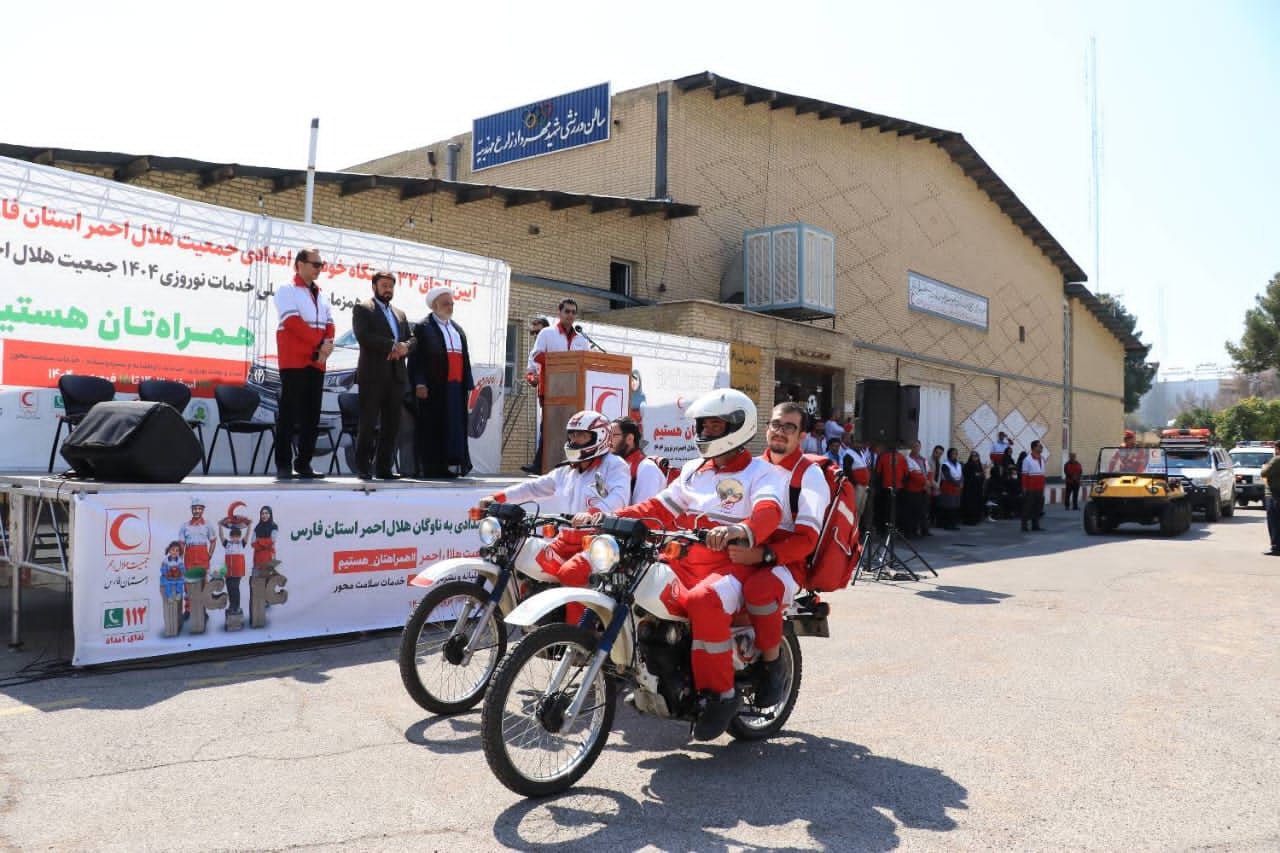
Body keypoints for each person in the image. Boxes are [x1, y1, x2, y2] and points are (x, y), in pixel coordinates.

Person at [584, 389, 785, 741]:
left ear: (737, 426)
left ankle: (720, 694)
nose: (706, 431)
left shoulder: (763, 472)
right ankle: (651, 672)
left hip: (732, 564)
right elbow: (658, 507)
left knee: (703, 601)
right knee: (633, 583)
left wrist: (739, 530)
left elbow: (768, 512)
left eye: (715, 425)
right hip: (684, 558)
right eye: (703, 425)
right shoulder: (694, 469)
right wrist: (611, 517)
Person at [478, 411, 629, 621]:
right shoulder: (566, 471)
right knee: (519, 553)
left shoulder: (614, 465)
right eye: (572, 435)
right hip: (564, 539)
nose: (574, 440)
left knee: (570, 573)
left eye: (581, 435)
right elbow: (533, 487)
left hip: (598, 543)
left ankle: (576, 634)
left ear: (600, 436)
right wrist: (497, 497)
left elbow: (619, 498)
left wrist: (592, 514)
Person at [728, 402, 831, 707]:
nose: (780, 431)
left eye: (789, 427)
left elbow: (807, 540)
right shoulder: (751, 468)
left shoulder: (809, 475)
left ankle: (772, 668)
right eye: (776, 424)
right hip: (746, 548)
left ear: (802, 436)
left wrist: (762, 556)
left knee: (758, 590)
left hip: (787, 561)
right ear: (766, 428)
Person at [273, 248, 335, 480]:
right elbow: (291, 322)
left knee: (312, 415)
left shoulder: (322, 294)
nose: (319, 269)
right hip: (294, 361)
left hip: (317, 362)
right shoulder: (286, 289)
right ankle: (283, 464)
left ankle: (304, 463)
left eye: (321, 265)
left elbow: (330, 324)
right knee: (289, 414)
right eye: (315, 264)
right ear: (300, 264)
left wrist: (327, 345)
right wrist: (320, 343)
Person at [350, 270, 415, 480]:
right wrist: (392, 346)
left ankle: (384, 468)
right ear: (374, 287)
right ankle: (363, 467)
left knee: (392, 425)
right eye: (384, 285)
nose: (388, 289)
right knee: (368, 424)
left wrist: (405, 346)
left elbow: (412, 338)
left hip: (396, 377)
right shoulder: (363, 308)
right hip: (372, 376)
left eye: (391, 286)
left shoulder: (400, 314)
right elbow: (364, 336)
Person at [409, 286, 473, 478]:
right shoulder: (423, 327)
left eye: (451, 304)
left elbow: (465, 358)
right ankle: (430, 468)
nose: (450, 307)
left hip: (455, 387)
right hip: (434, 387)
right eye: (446, 304)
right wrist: (419, 383)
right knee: (433, 426)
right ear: (435, 305)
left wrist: (468, 384)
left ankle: (447, 465)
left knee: (453, 427)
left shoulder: (457, 329)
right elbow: (416, 359)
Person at [524, 299, 589, 474]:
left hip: (575, 390)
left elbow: (586, 362)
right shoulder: (547, 333)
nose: (570, 315)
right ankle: (541, 465)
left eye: (573, 312)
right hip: (551, 389)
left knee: (572, 429)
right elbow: (536, 356)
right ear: (559, 313)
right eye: (567, 311)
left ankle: (570, 465)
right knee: (549, 427)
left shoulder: (581, 339)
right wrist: (561, 363)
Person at [610, 416, 665, 504]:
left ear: (629, 439)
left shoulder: (647, 468)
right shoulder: (616, 466)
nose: (608, 441)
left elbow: (643, 509)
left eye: (613, 436)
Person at [179, 496, 217, 620]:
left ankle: (203, 609)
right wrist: (180, 558)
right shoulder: (185, 526)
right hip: (189, 555)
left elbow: (213, 541)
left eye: (199, 508)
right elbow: (181, 544)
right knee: (188, 584)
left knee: (203, 584)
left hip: (202, 554)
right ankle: (188, 609)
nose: (197, 511)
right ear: (191, 509)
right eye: (195, 508)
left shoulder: (208, 525)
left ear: (203, 510)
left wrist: (209, 555)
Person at [873, 443, 907, 534]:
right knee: (896, 509)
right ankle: (894, 528)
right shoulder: (901, 457)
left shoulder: (882, 456)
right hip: (898, 487)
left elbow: (878, 473)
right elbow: (906, 474)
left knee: (886, 509)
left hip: (886, 487)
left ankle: (884, 529)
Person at [903, 441, 930, 537]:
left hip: (923, 489)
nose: (916, 448)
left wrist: (928, 482)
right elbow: (912, 474)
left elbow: (929, 472)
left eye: (918, 446)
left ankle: (922, 530)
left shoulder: (923, 459)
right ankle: (910, 531)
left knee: (922, 511)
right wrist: (925, 481)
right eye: (914, 446)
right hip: (912, 489)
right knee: (911, 511)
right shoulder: (907, 459)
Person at [1021, 440, 1049, 531]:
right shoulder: (1027, 460)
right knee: (1028, 507)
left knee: (1038, 506)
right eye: (1039, 446)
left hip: (1040, 487)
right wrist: (1024, 488)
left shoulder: (1042, 458)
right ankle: (1024, 525)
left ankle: (1035, 525)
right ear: (1034, 448)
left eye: (1041, 446)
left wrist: (1043, 486)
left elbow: (1042, 474)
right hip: (1031, 488)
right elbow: (1024, 475)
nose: (1041, 447)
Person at [1260, 442, 1280, 556]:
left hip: (1274, 494)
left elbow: (1264, 473)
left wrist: (1265, 466)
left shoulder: (1276, 460)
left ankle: (1276, 547)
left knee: (1274, 522)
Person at [938, 448, 962, 530]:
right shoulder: (945, 464)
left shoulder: (958, 464)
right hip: (949, 486)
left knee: (955, 506)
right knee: (949, 506)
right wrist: (957, 483)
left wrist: (961, 482)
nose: (955, 455)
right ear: (949, 454)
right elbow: (948, 476)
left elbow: (961, 475)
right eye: (953, 453)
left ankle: (954, 523)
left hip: (957, 487)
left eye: (956, 453)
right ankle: (948, 524)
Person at [962, 450, 986, 525]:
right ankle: (969, 520)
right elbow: (968, 475)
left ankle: (976, 518)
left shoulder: (979, 465)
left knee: (977, 503)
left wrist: (979, 475)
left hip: (978, 488)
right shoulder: (968, 465)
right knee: (970, 504)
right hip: (970, 488)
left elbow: (982, 475)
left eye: (976, 456)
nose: (975, 458)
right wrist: (977, 475)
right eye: (973, 456)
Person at [928, 444, 945, 528]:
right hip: (929, 487)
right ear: (933, 452)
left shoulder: (939, 462)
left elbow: (939, 474)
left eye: (940, 453)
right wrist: (936, 485)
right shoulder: (928, 461)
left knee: (935, 505)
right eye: (937, 453)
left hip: (936, 487)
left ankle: (933, 521)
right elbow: (929, 476)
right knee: (929, 505)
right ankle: (928, 522)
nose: (938, 455)